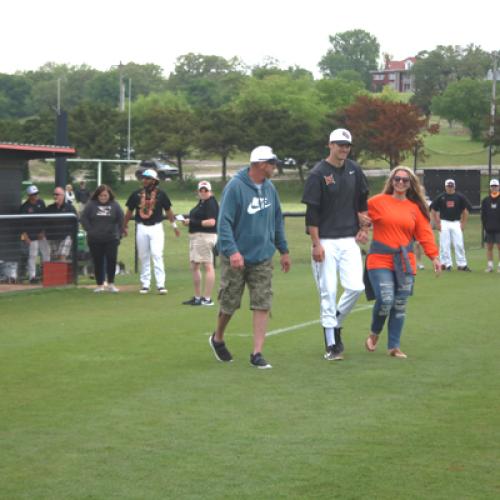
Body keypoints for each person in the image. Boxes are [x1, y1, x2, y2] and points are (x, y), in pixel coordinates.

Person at [208, 146, 291, 369]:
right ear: (261, 164)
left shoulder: (270, 188)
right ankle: (217, 337)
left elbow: (277, 221)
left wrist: (283, 250)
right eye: (272, 163)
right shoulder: (235, 187)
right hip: (236, 255)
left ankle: (257, 353)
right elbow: (223, 222)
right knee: (230, 302)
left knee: (262, 302)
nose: (275, 167)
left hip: (262, 256)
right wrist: (233, 251)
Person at [301, 128, 370, 361]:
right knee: (328, 291)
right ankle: (331, 344)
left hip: (349, 239)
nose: (343, 148)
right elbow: (312, 213)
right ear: (329, 144)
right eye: (339, 144)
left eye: (347, 145)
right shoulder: (318, 174)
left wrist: (363, 226)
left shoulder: (354, 169)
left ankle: (336, 323)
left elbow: (362, 202)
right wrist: (316, 244)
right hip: (326, 241)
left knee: (356, 287)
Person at [365, 167, 441, 358]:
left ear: (410, 184)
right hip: (379, 258)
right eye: (397, 179)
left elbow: (425, 234)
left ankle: (394, 347)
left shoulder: (415, 208)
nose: (400, 183)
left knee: (399, 304)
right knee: (386, 299)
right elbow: (359, 215)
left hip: (405, 261)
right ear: (391, 181)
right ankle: (374, 333)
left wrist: (434, 257)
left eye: (405, 181)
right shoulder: (376, 202)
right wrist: (362, 228)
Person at [123, 169, 180, 294]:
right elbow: (129, 211)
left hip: (156, 227)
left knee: (157, 254)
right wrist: (124, 226)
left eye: (147, 178)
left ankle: (161, 284)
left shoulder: (161, 194)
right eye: (143, 178)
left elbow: (168, 211)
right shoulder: (136, 194)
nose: (144, 180)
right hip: (141, 227)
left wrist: (174, 226)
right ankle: (145, 284)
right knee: (143, 256)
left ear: (154, 181)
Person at [80, 185, 124, 292]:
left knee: (111, 260)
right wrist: (90, 230)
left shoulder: (115, 205)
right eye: (101, 195)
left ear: (109, 195)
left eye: (105, 195)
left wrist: (118, 233)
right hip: (95, 239)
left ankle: (111, 284)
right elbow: (84, 218)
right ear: (97, 195)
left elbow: (121, 219)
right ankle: (100, 284)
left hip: (111, 238)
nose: (103, 197)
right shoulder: (91, 205)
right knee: (98, 261)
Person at [182, 180, 219, 306]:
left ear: (210, 191)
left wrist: (192, 222)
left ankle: (207, 298)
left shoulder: (211, 203)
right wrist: (189, 221)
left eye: (206, 190)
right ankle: (198, 297)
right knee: (195, 265)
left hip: (205, 236)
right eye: (201, 190)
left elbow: (211, 222)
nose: (203, 192)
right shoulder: (201, 203)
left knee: (208, 266)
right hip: (196, 236)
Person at [430, 179, 472, 271]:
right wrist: (437, 223)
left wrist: (463, 223)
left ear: (454, 186)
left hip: (456, 223)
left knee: (459, 244)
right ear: (445, 187)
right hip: (444, 222)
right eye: (448, 186)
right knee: (444, 244)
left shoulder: (460, 197)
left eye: (451, 186)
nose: (450, 188)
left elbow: (465, 211)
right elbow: (433, 210)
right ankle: (446, 264)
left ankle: (462, 264)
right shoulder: (441, 197)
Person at [19, 185, 50, 283]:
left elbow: (45, 218)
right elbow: (21, 224)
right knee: (32, 255)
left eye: (36, 193)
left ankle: (47, 274)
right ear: (29, 195)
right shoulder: (24, 207)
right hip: (31, 236)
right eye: (33, 194)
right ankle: (32, 277)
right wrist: (25, 237)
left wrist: (44, 231)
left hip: (41, 234)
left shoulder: (41, 203)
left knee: (46, 253)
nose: (36, 195)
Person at [45, 186, 78, 260]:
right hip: (52, 237)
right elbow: (44, 223)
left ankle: (62, 271)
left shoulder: (70, 208)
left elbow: (75, 222)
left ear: (63, 196)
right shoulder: (49, 208)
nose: (55, 196)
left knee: (62, 256)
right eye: (54, 194)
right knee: (54, 258)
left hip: (66, 237)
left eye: (57, 194)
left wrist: (72, 235)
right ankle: (56, 271)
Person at [481, 178, 500, 273]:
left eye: (495, 186)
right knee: (489, 247)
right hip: (489, 228)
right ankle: (490, 266)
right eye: (492, 186)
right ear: (490, 187)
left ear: (499, 187)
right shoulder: (485, 200)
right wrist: (485, 226)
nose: (494, 188)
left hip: (499, 229)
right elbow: (483, 215)